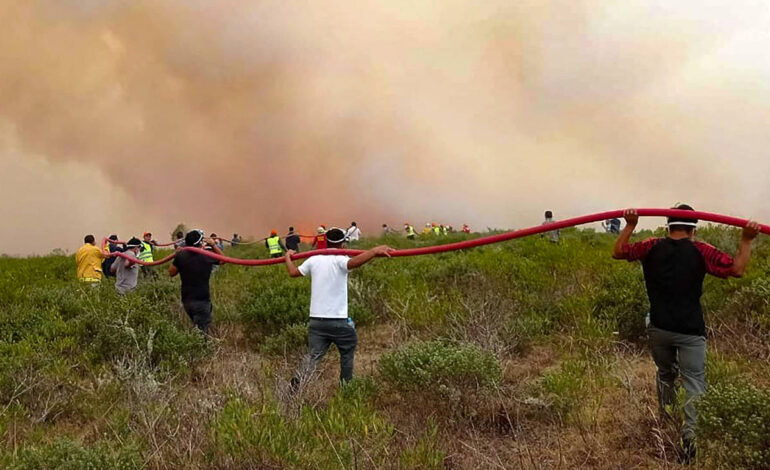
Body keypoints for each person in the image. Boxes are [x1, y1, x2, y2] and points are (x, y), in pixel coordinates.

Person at [612, 205, 760, 462]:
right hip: (690, 331)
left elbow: (619, 252)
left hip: (659, 328)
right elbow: (736, 269)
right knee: (694, 382)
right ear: (693, 229)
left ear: (669, 225)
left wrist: (630, 225)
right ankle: (689, 442)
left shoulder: (651, 246)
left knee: (665, 374)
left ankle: (667, 421)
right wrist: (746, 240)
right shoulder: (701, 250)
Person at [284, 227, 393, 388]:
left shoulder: (314, 259)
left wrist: (288, 257)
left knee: (313, 357)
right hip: (338, 322)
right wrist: (374, 251)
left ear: (325, 242)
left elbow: (293, 272)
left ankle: (296, 387)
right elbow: (354, 262)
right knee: (347, 354)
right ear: (343, 244)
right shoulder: (341, 259)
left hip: (316, 322)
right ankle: (346, 388)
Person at [168, 230, 224, 333]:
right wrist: (213, 245)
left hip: (187, 301)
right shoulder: (206, 255)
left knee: (197, 326)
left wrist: (176, 255)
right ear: (200, 243)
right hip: (201, 301)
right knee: (203, 332)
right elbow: (223, 260)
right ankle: (199, 347)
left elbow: (171, 272)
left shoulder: (181, 256)